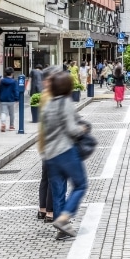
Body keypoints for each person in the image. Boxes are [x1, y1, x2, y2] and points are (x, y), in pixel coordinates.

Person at [38, 71, 88, 239]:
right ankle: (65, 218)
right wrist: (82, 129)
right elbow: (72, 130)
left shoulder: (48, 105)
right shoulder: (65, 103)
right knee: (80, 185)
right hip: (65, 151)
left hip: (50, 154)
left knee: (58, 191)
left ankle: (62, 229)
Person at [37, 65, 61, 227]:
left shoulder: (44, 95)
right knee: (53, 179)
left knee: (45, 177)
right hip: (53, 143)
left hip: (45, 142)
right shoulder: (51, 96)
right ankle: (50, 212)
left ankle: (43, 209)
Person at [0, 67, 19, 132]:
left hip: (3, 99)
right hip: (11, 99)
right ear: (12, 73)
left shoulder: (2, 81)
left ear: (5, 73)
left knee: (3, 112)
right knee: (11, 113)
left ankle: (3, 123)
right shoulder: (14, 81)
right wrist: (17, 99)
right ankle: (11, 126)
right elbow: (16, 90)